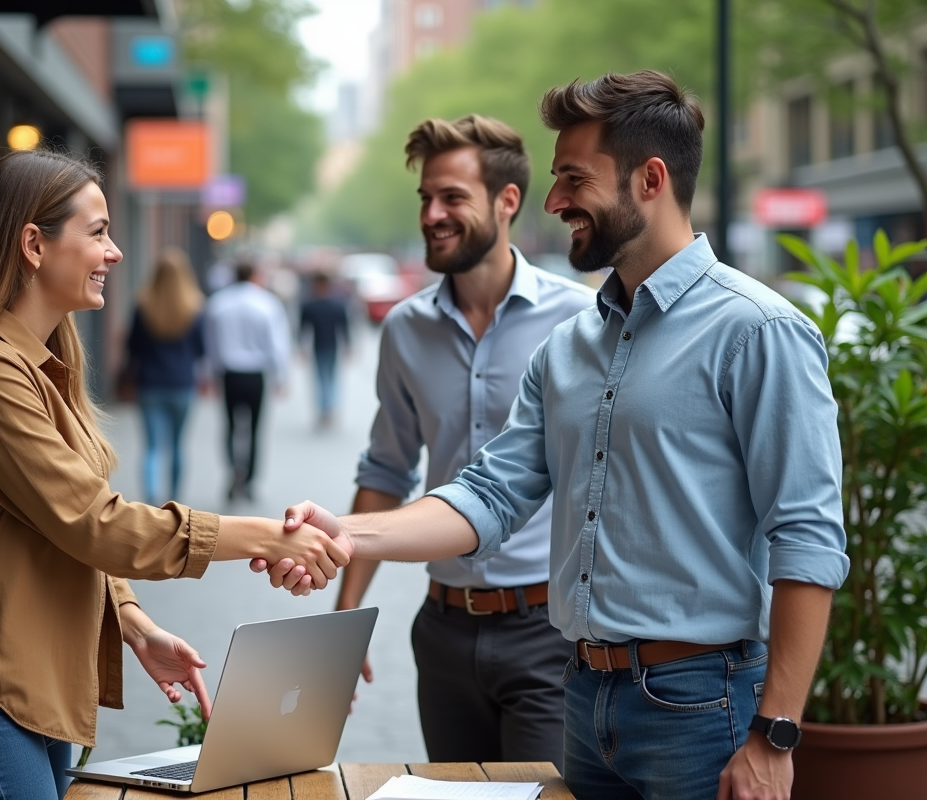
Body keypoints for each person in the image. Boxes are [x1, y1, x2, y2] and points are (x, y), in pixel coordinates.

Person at [266, 71, 849, 800]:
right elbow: (489, 494)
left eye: (574, 178)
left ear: (651, 179)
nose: (553, 202)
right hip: (584, 695)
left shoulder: (758, 331)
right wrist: (346, 532)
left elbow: (808, 537)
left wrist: (776, 734)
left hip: (703, 706)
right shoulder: (569, 348)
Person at [0, 149, 347, 800]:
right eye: (98, 231)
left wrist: (136, 626)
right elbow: (97, 524)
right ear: (33, 245)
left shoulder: (47, 367)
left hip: (38, 693)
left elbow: (63, 527)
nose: (116, 252)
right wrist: (273, 537)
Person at [334, 115, 594, 766]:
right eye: (425, 198)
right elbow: (387, 471)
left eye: (452, 197)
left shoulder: (579, 323)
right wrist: (344, 620)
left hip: (548, 631)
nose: (432, 213)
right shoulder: (404, 330)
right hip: (442, 631)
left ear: (507, 202)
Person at [120, 247, 205, 506]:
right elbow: (201, 350)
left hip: (150, 384)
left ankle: (151, 499)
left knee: (152, 447)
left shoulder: (143, 305)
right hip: (182, 384)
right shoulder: (195, 307)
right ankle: (175, 501)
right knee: (178, 446)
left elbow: (132, 347)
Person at [203, 261, 291, 502]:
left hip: (230, 374)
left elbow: (211, 344)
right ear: (254, 275)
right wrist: (281, 375)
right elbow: (277, 344)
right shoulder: (267, 303)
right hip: (255, 375)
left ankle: (234, 473)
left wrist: (211, 374)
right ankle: (250, 480)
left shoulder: (218, 303)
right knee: (254, 429)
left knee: (230, 427)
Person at [298, 272, 351, 428]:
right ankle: (325, 408)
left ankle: (328, 407)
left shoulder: (332, 305)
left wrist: (348, 345)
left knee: (329, 378)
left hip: (331, 346)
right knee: (322, 378)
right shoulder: (313, 305)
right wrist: (301, 347)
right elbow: (303, 329)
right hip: (319, 346)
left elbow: (344, 327)